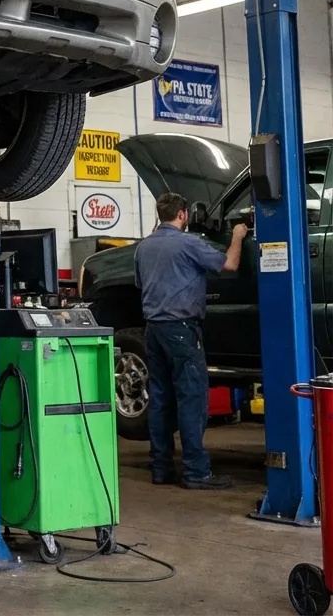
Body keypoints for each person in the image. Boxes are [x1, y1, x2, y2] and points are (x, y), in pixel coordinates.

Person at [135, 191, 249, 490]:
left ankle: (161, 469)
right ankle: (196, 472)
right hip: (181, 330)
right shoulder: (188, 243)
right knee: (192, 399)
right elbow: (229, 265)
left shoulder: (143, 248)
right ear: (183, 214)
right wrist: (237, 235)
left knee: (159, 399)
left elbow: (140, 284)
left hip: (154, 330)